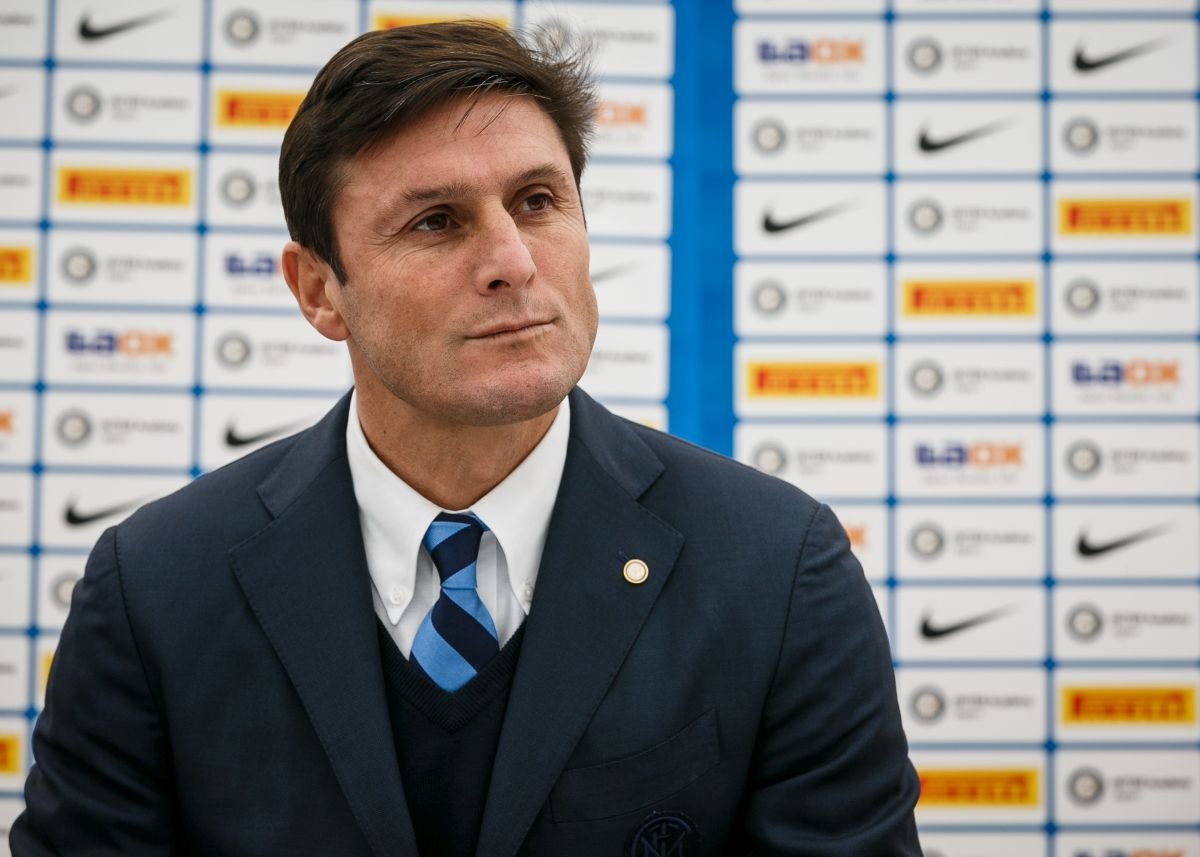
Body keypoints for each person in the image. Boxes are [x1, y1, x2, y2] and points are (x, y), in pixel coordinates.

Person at [11, 21, 922, 856]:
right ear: (319, 291)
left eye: (538, 201)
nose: (513, 262)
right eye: (435, 221)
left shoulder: (778, 570)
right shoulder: (155, 591)